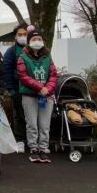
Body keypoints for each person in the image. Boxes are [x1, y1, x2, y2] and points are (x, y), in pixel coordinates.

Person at [16, 28, 58, 164]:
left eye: (39, 39)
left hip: (47, 96)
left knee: (45, 124)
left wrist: (48, 89)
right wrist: (41, 87)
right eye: (34, 39)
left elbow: (53, 75)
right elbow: (23, 76)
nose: (37, 41)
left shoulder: (48, 56)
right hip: (29, 95)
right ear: (29, 42)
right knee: (32, 124)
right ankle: (34, 148)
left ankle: (43, 148)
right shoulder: (22, 57)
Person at [2, 25, 30, 141]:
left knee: (31, 116)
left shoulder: (33, 49)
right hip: (17, 88)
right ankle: (19, 140)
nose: (23, 37)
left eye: (25, 34)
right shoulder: (11, 51)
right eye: (20, 34)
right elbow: (6, 71)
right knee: (18, 115)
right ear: (15, 36)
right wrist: (11, 89)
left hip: (32, 89)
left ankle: (32, 140)